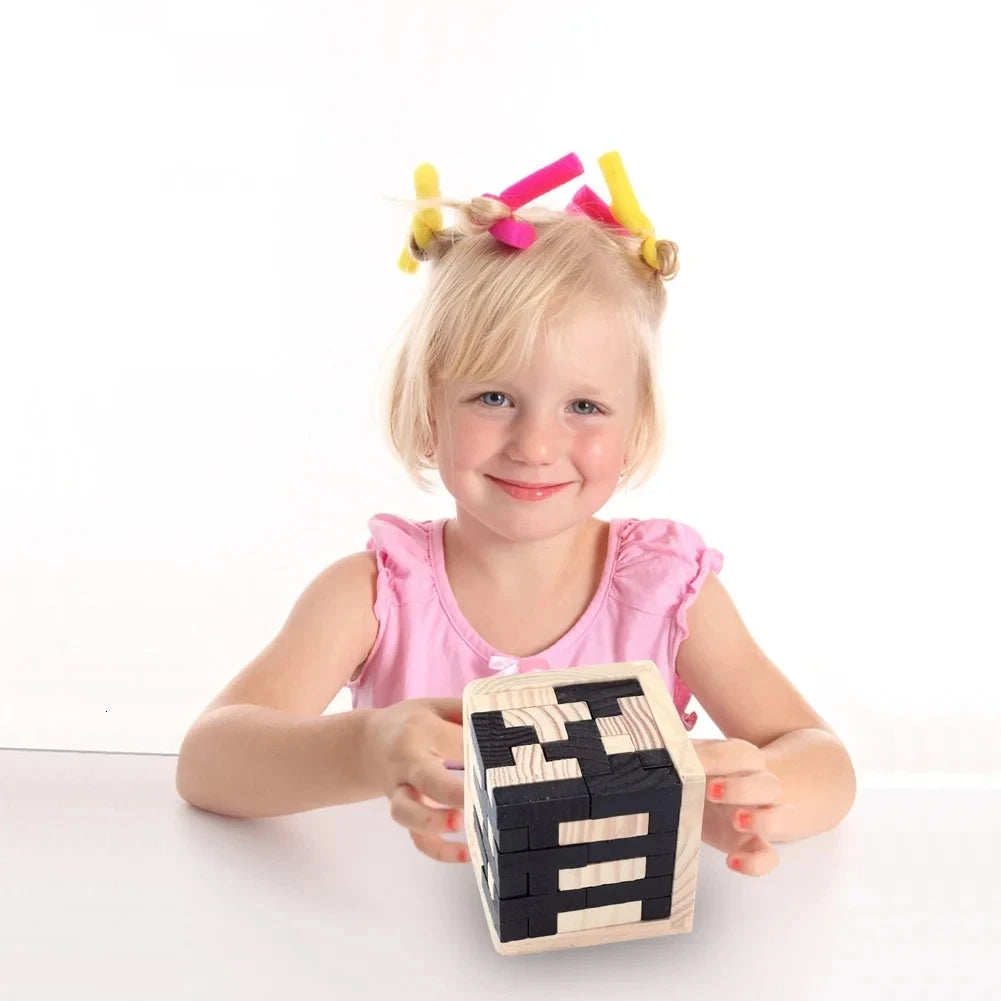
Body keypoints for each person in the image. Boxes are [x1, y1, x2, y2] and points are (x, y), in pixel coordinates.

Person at [175, 151, 857, 879]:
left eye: (584, 406)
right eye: (493, 397)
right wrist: (365, 749)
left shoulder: (666, 594)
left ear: (634, 426)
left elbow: (821, 758)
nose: (534, 445)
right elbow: (209, 761)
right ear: (428, 408)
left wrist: (732, 792)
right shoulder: (373, 594)